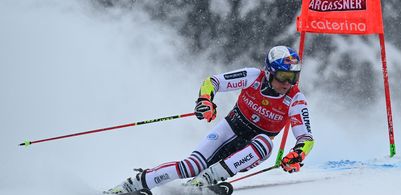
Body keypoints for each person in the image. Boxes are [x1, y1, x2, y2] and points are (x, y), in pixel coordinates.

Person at [105, 46, 314, 195]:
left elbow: (306, 138)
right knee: (190, 166)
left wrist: (297, 154)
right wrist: (205, 100)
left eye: (293, 77)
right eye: (283, 76)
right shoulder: (253, 77)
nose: (288, 83)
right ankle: (130, 186)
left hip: (253, 147)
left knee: (265, 144)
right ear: (269, 72)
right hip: (229, 129)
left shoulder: (295, 99)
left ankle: (202, 183)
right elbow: (212, 82)